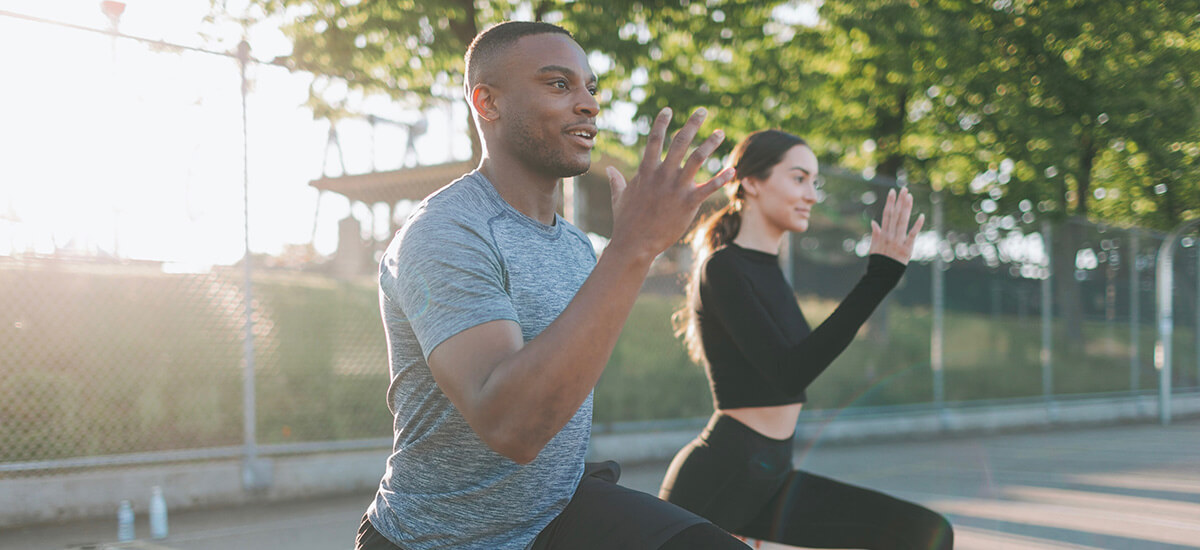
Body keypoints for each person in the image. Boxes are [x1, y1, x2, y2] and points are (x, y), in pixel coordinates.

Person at [355, 21, 751, 550]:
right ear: (488, 103)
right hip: (440, 539)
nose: (588, 104)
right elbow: (512, 428)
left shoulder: (573, 245)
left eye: (591, 88)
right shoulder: (444, 234)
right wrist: (633, 247)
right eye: (559, 84)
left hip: (555, 512)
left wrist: (629, 251)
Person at [659, 129, 955, 550]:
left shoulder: (769, 271)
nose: (812, 195)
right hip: (718, 482)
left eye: (814, 182)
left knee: (927, 534)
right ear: (751, 182)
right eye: (799, 178)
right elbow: (789, 373)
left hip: (770, 476)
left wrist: (881, 277)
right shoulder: (722, 269)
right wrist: (878, 279)